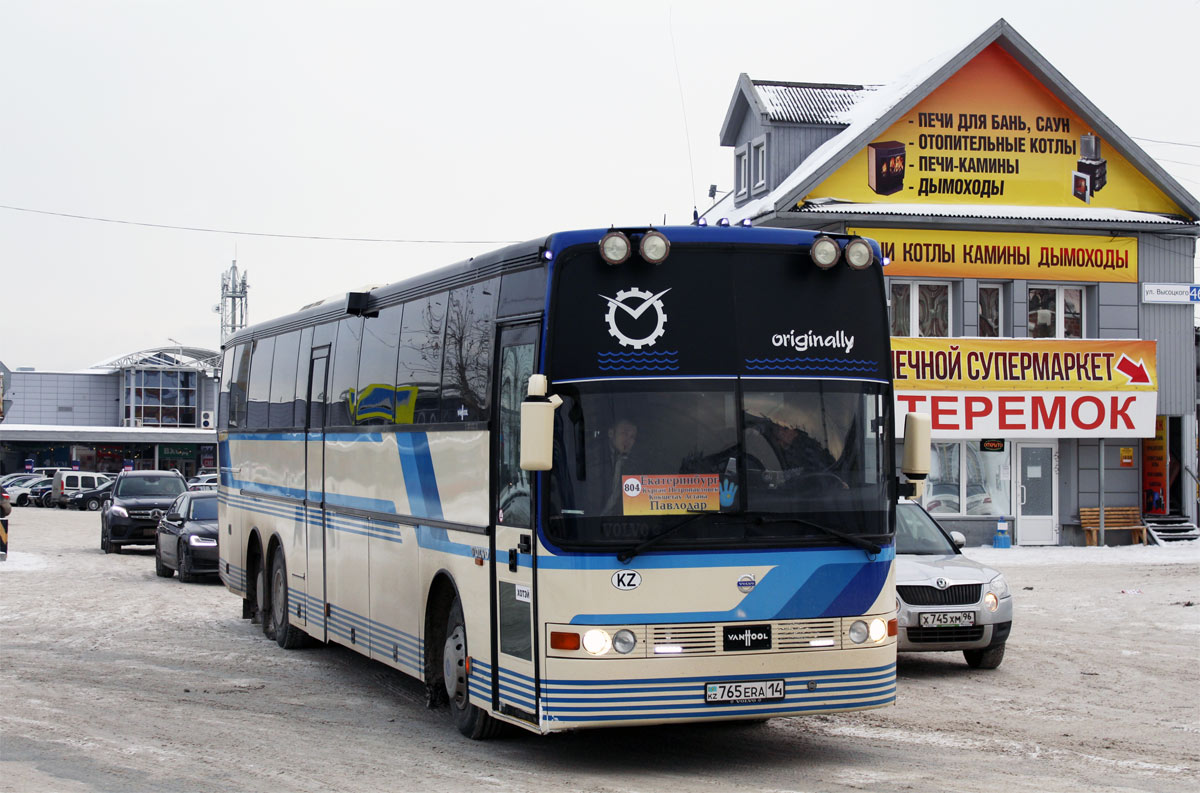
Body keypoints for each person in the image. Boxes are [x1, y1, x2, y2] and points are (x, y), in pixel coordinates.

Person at [599, 418, 638, 514]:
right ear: (611, 433)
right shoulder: (596, 458)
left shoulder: (634, 464)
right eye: (624, 433)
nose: (628, 440)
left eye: (632, 437)